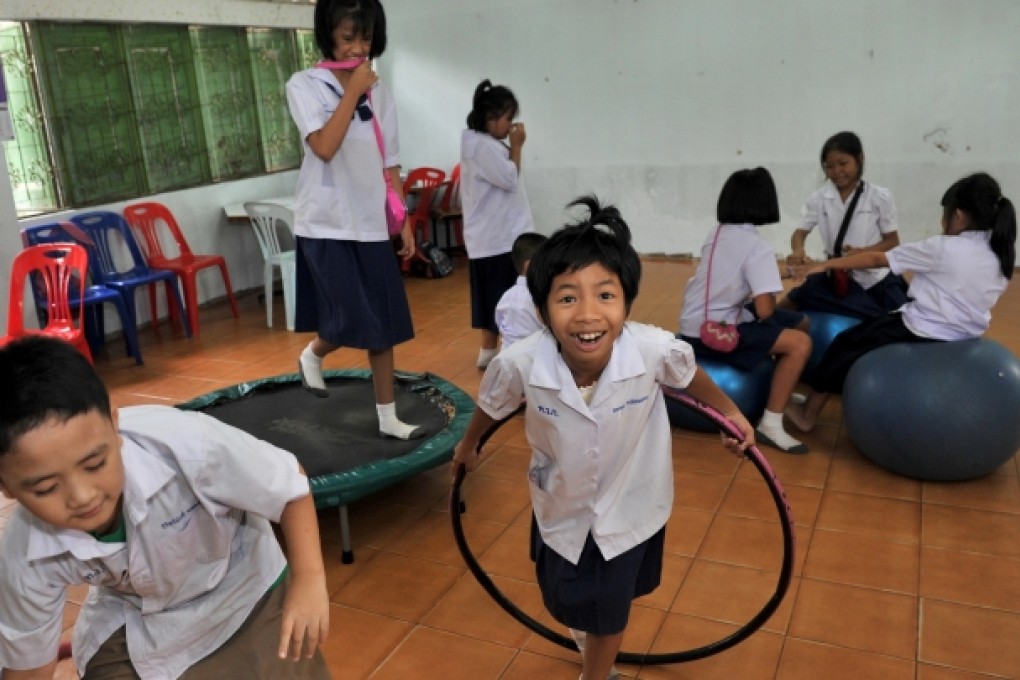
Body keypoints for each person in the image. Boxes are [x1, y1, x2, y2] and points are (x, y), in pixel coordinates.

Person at [452, 196, 754, 680]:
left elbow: (690, 376)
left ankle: (596, 673)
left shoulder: (654, 349)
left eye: (605, 295)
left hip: (630, 501)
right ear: (543, 309)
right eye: (568, 297)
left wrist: (731, 412)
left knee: (611, 609)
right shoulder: (521, 362)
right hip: (562, 502)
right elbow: (492, 405)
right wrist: (469, 446)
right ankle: (589, 638)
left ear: (627, 302)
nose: (588, 314)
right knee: (565, 598)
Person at [0, 336, 330, 680]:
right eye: (46, 488)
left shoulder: (188, 445)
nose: (82, 496)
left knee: (287, 659)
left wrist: (309, 579)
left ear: (115, 426)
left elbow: (291, 485)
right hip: (139, 608)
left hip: (241, 582)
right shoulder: (24, 551)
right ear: (5, 486)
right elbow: (29, 665)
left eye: (95, 463)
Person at [286, 0, 423, 440]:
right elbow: (324, 146)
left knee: (382, 323)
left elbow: (391, 163)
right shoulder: (304, 85)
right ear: (328, 36)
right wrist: (351, 92)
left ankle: (388, 418)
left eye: (366, 37)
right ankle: (313, 353)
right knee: (347, 319)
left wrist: (401, 219)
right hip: (324, 222)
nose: (359, 48)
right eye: (349, 38)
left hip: (369, 222)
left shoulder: (380, 92)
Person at [786, 172, 1016, 432]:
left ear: (959, 216)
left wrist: (824, 265)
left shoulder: (943, 247)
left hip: (923, 328)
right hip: (967, 332)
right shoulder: (999, 251)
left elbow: (877, 260)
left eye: (945, 214)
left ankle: (807, 415)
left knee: (846, 343)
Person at [678, 168, 813, 454]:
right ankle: (772, 425)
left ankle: (781, 392)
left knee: (799, 322)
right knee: (800, 343)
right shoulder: (757, 245)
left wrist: (788, 271)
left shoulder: (716, 234)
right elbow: (765, 311)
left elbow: (744, 274)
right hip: (715, 333)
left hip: (694, 323)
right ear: (766, 202)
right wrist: (771, 292)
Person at [782, 131, 909, 319]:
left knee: (900, 318)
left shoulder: (879, 197)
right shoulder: (818, 199)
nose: (836, 171)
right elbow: (800, 232)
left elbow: (892, 241)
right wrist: (798, 250)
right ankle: (764, 323)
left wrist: (864, 252)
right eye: (829, 166)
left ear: (859, 159)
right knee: (793, 301)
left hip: (875, 277)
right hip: (835, 277)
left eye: (843, 164)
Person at [460, 79, 535, 369]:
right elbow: (509, 179)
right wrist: (517, 146)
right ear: (490, 119)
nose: (511, 125)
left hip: (491, 237)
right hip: (497, 239)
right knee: (502, 297)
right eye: (507, 119)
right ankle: (506, 349)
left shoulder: (481, 143)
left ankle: (489, 351)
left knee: (491, 297)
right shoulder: (483, 147)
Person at [494, 232, 548, 350]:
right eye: (547, 262)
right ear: (529, 266)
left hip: (506, 357)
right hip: (533, 357)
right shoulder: (539, 295)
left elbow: (499, 324)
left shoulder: (506, 296)